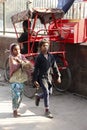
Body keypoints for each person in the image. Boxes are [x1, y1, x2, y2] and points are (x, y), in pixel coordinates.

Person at [33, 38, 61, 118]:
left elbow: (55, 67)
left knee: (49, 93)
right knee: (46, 91)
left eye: (47, 45)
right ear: (40, 47)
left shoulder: (51, 56)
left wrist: (58, 76)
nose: (46, 47)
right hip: (42, 77)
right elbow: (36, 69)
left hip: (49, 77)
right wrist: (35, 80)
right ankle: (47, 110)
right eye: (44, 46)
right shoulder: (39, 57)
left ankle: (38, 96)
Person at [9, 43, 32, 117]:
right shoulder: (11, 57)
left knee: (20, 96)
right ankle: (14, 110)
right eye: (15, 49)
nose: (17, 51)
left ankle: (17, 108)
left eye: (18, 49)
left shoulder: (22, 56)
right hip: (14, 79)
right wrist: (21, 63)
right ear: (12, 50)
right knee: (16, 95)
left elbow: (27, 64)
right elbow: (14, 66)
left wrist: (22, 62)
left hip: (21, 79)